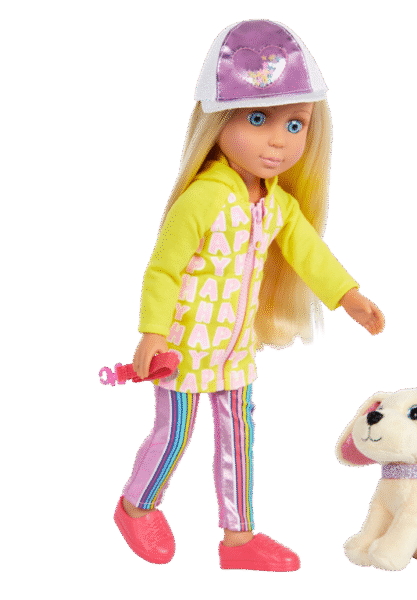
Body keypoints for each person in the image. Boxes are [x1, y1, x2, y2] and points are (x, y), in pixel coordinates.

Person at [112, 18, 385, 572]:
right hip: (183, 346)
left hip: (235, 350)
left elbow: (310, 254)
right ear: (218, 121)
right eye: (258, 119)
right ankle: (136, 506)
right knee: (174, 435)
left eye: (295, 124)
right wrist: (152, 333)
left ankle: (239, 539)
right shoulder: (204, 198)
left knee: (239, 440)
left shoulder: (277, 203)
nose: (279, 141)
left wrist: (349, 297)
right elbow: (162, 270)